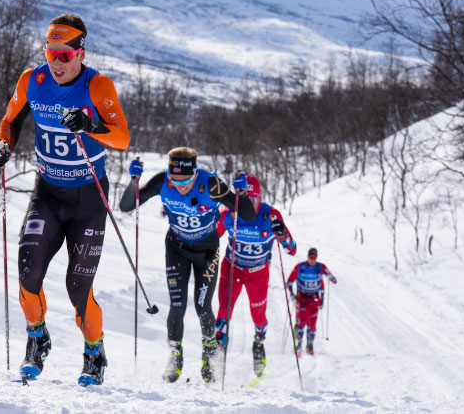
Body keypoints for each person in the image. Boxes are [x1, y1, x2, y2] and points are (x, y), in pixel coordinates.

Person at [0, 14, 130, 386]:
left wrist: (91, 126)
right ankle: (37, 338)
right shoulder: (31, 80)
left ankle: (94, 352)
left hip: (88, 200)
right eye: (51, 53)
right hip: (48, 194)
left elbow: (122, 138)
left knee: (77, 288)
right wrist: (4, 145)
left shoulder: (97, 86)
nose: (56, 62)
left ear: (81, 53)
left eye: (65, 55)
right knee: (28, 271)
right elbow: (10, 121)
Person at [119, 151, 256, 384]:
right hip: (177, 249)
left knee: (203, 306)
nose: (180, 186)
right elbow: (126, 206)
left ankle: (210, 353)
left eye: (185, 181)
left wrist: (241, 194)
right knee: (178, 305)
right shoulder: (162, 181)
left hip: (206, 252)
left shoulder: (211, 184)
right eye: (175, 180)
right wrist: (134, 182)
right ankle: (175, 355)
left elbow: (246, 215)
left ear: (195, 174)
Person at [213, 175, 296, 379]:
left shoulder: (271, 215)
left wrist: (282, 234)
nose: (248, 205)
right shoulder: (230, 213)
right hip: (232, 269)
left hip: (258, 273)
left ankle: (259, 342)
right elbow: (212, 237)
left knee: (258, 316)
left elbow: (291, 250)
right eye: (244, 200)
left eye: (252, 200)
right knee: (224, 311)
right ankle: (218, 353)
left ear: (260, 198)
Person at [286, 247, 337, 356]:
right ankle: (298, 345)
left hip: (314, 300)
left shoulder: (320, 267)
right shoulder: (300, 267)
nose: (312, 259)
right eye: (310, 257)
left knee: (312, 324)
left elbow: (331, 279)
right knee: (301, 322)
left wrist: (330, 278)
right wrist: (292, 295)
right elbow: (289, 282)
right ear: (307, 257)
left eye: (314, 257)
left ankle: (310, 345)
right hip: (301, 299)